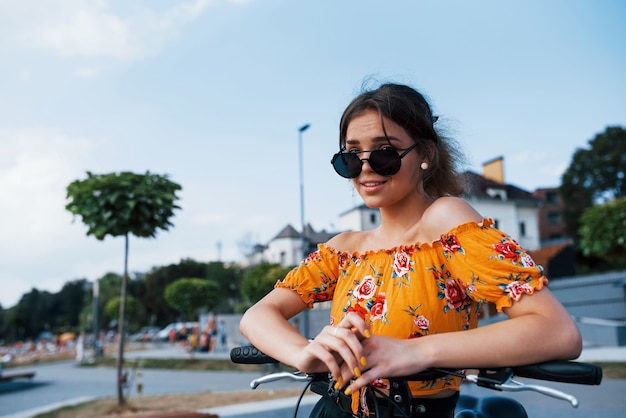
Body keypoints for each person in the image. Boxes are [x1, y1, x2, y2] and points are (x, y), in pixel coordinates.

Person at [239, 82, 582, 418]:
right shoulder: (344, 249)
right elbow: (257, 315)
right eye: (351, 156)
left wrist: (415, 351)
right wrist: (303, 353)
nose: (366, 167)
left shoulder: (446, 220)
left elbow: (556, 331)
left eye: (384, 152)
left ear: (426, 155)